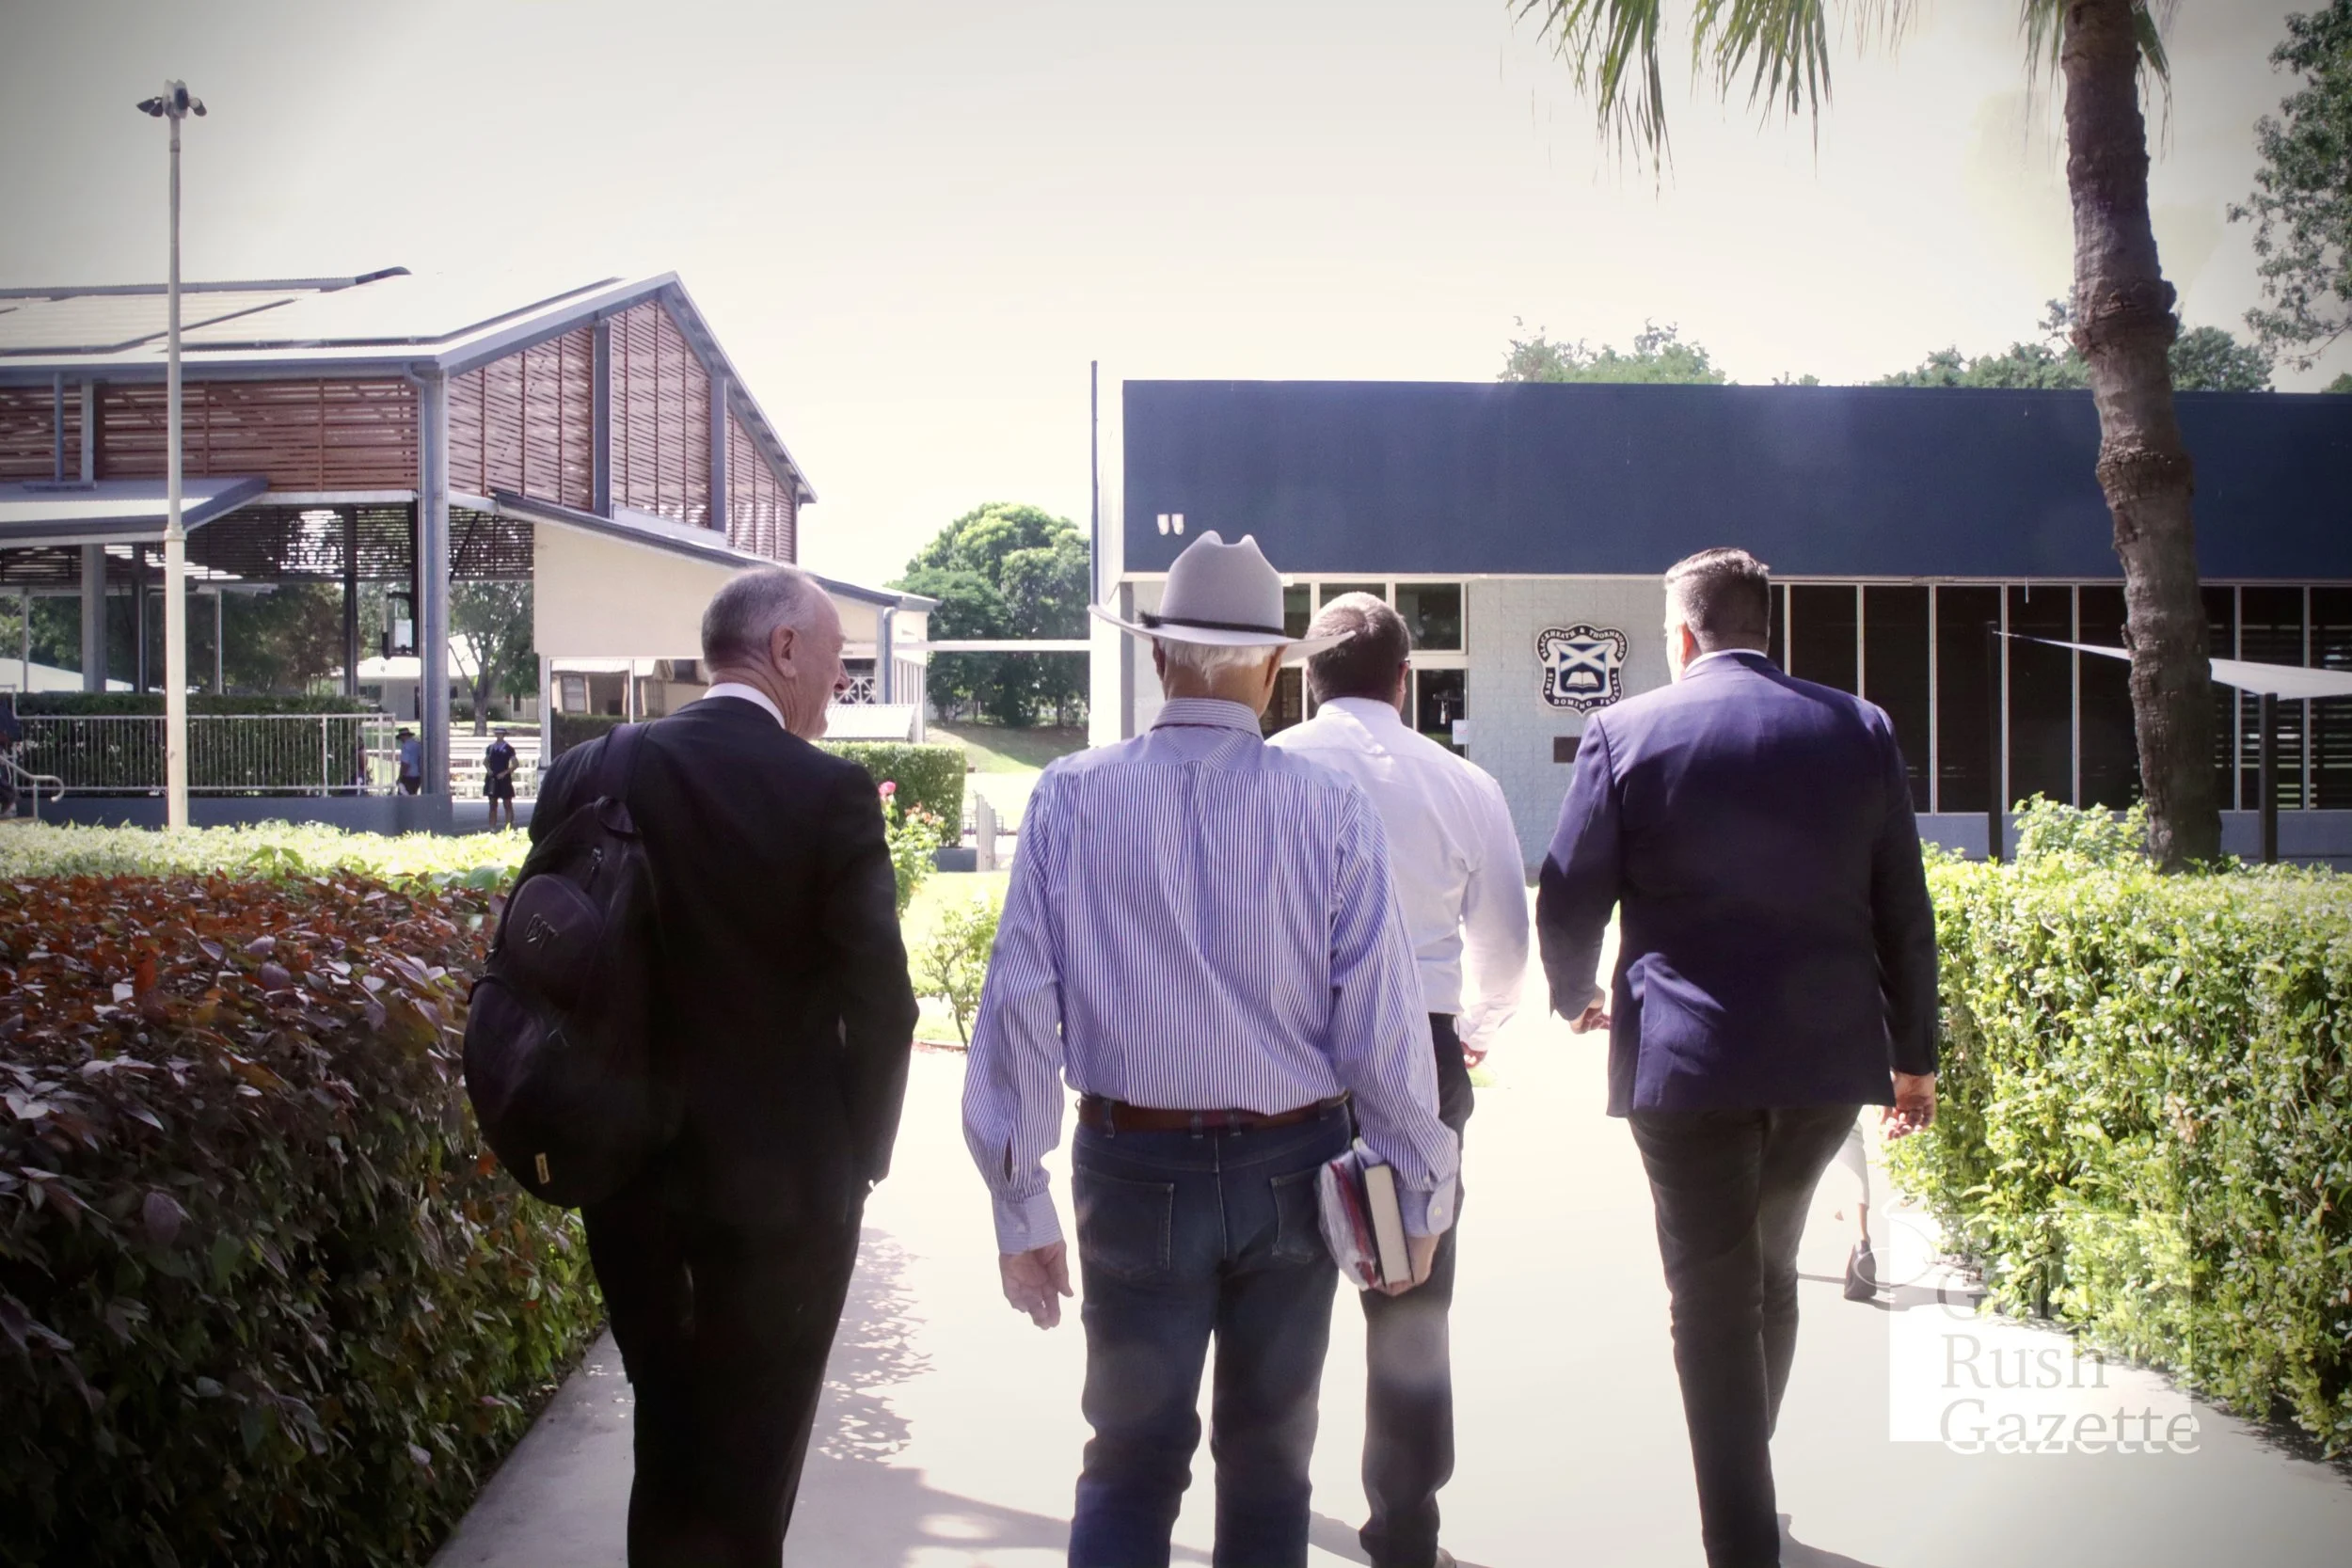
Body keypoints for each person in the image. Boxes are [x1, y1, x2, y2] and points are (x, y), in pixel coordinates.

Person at [962, 531, 1460, 1568]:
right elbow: (1379, 1020)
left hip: (1133, 1167)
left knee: (1130, 1459)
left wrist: (1022, 1199)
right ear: (1273, 669)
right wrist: (1419, 1190)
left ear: (1156, 658)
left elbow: (1016, 1005)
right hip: (1294, 1168)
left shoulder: (1070, 795)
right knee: (1271, 1464)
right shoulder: (1328, 809)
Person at [1536, 547, 1938, 1568]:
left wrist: (1574, 988)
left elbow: (1570, 886)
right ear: (1765, 626)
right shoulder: (1858, 727)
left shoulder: (1625, 730)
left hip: (1686, 1062)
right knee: (1769, 1268)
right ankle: (1746, 1478)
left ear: (1681, 634)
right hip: (1822, 1065)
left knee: (1709, 1300)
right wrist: (1915, 1056)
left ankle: (1740, 1538)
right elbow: (1904, 906)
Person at [533, 565, 917, 1568]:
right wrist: (862, 1156)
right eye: (837, 662)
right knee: (752, 1460)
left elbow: (546, 966)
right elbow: (883, 1000)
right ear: (784, 649)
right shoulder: (826, 791)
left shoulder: (589, 770)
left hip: (626, 1179)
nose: (841, 684)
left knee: (668, 1434)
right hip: (786, 1191)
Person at [1266, 593, 1526, 1568]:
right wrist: (1475, 1033)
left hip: (1288, 1057)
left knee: (1279, 1292)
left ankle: (1269, 1507)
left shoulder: (1270, 768)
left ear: (1306, 678)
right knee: (1407, 1298)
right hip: (1415, 1057)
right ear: (1404, 682)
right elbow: (1504, 945)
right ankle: (1406, 1530)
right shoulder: (1462, 783)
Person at [483, 726, 518, 831]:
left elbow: (515, 764)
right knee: (492, 803)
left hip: (504, 779)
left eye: (501, 734)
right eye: (497, 734)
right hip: (493, 778)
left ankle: (508, 827)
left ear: (504, 735)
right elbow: (485, 761)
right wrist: (488, 769)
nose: (499, 736)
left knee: (507, 803)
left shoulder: (509, 749)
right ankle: (492, 827)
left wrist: (505, 773)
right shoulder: (490, 748)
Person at [395, 728, 421, 795]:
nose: (401, 740)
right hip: (417, 776)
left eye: (401, 738)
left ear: (403, 736)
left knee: (403, 798)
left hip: (408, 776)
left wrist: (400, 778)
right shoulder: (417, 744)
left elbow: (405, 764)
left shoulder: (406, 746)